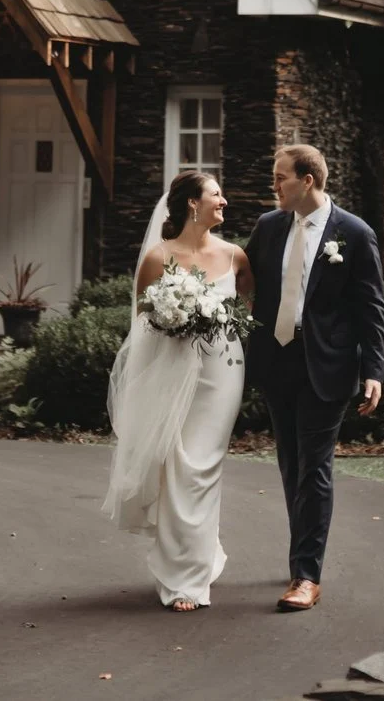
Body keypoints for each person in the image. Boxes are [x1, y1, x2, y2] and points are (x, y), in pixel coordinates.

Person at [245, 143, 384, 612]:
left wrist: (374, 371)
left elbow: (372, 308)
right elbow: (243, 284)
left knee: (315, 467)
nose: (274, 186)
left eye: (280, 177)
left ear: (308, 180)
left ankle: (307, 576)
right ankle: (299, 557)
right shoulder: (267, 228)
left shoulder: (354, 233)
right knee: (290, 464)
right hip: (276, 361)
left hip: (328, 365)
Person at [101, 170, 250, 610]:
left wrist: (214, 323)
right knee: (177, 465)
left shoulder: (236, 255)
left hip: (222, 369)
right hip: (172, 368)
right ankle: (183, 573)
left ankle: (195, 566)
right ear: (192, 204)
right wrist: (177, 319)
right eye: (216, 195)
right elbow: (142, 322)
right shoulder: (157, 257)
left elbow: (247, 307)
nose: (224, 201)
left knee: (203, 465)